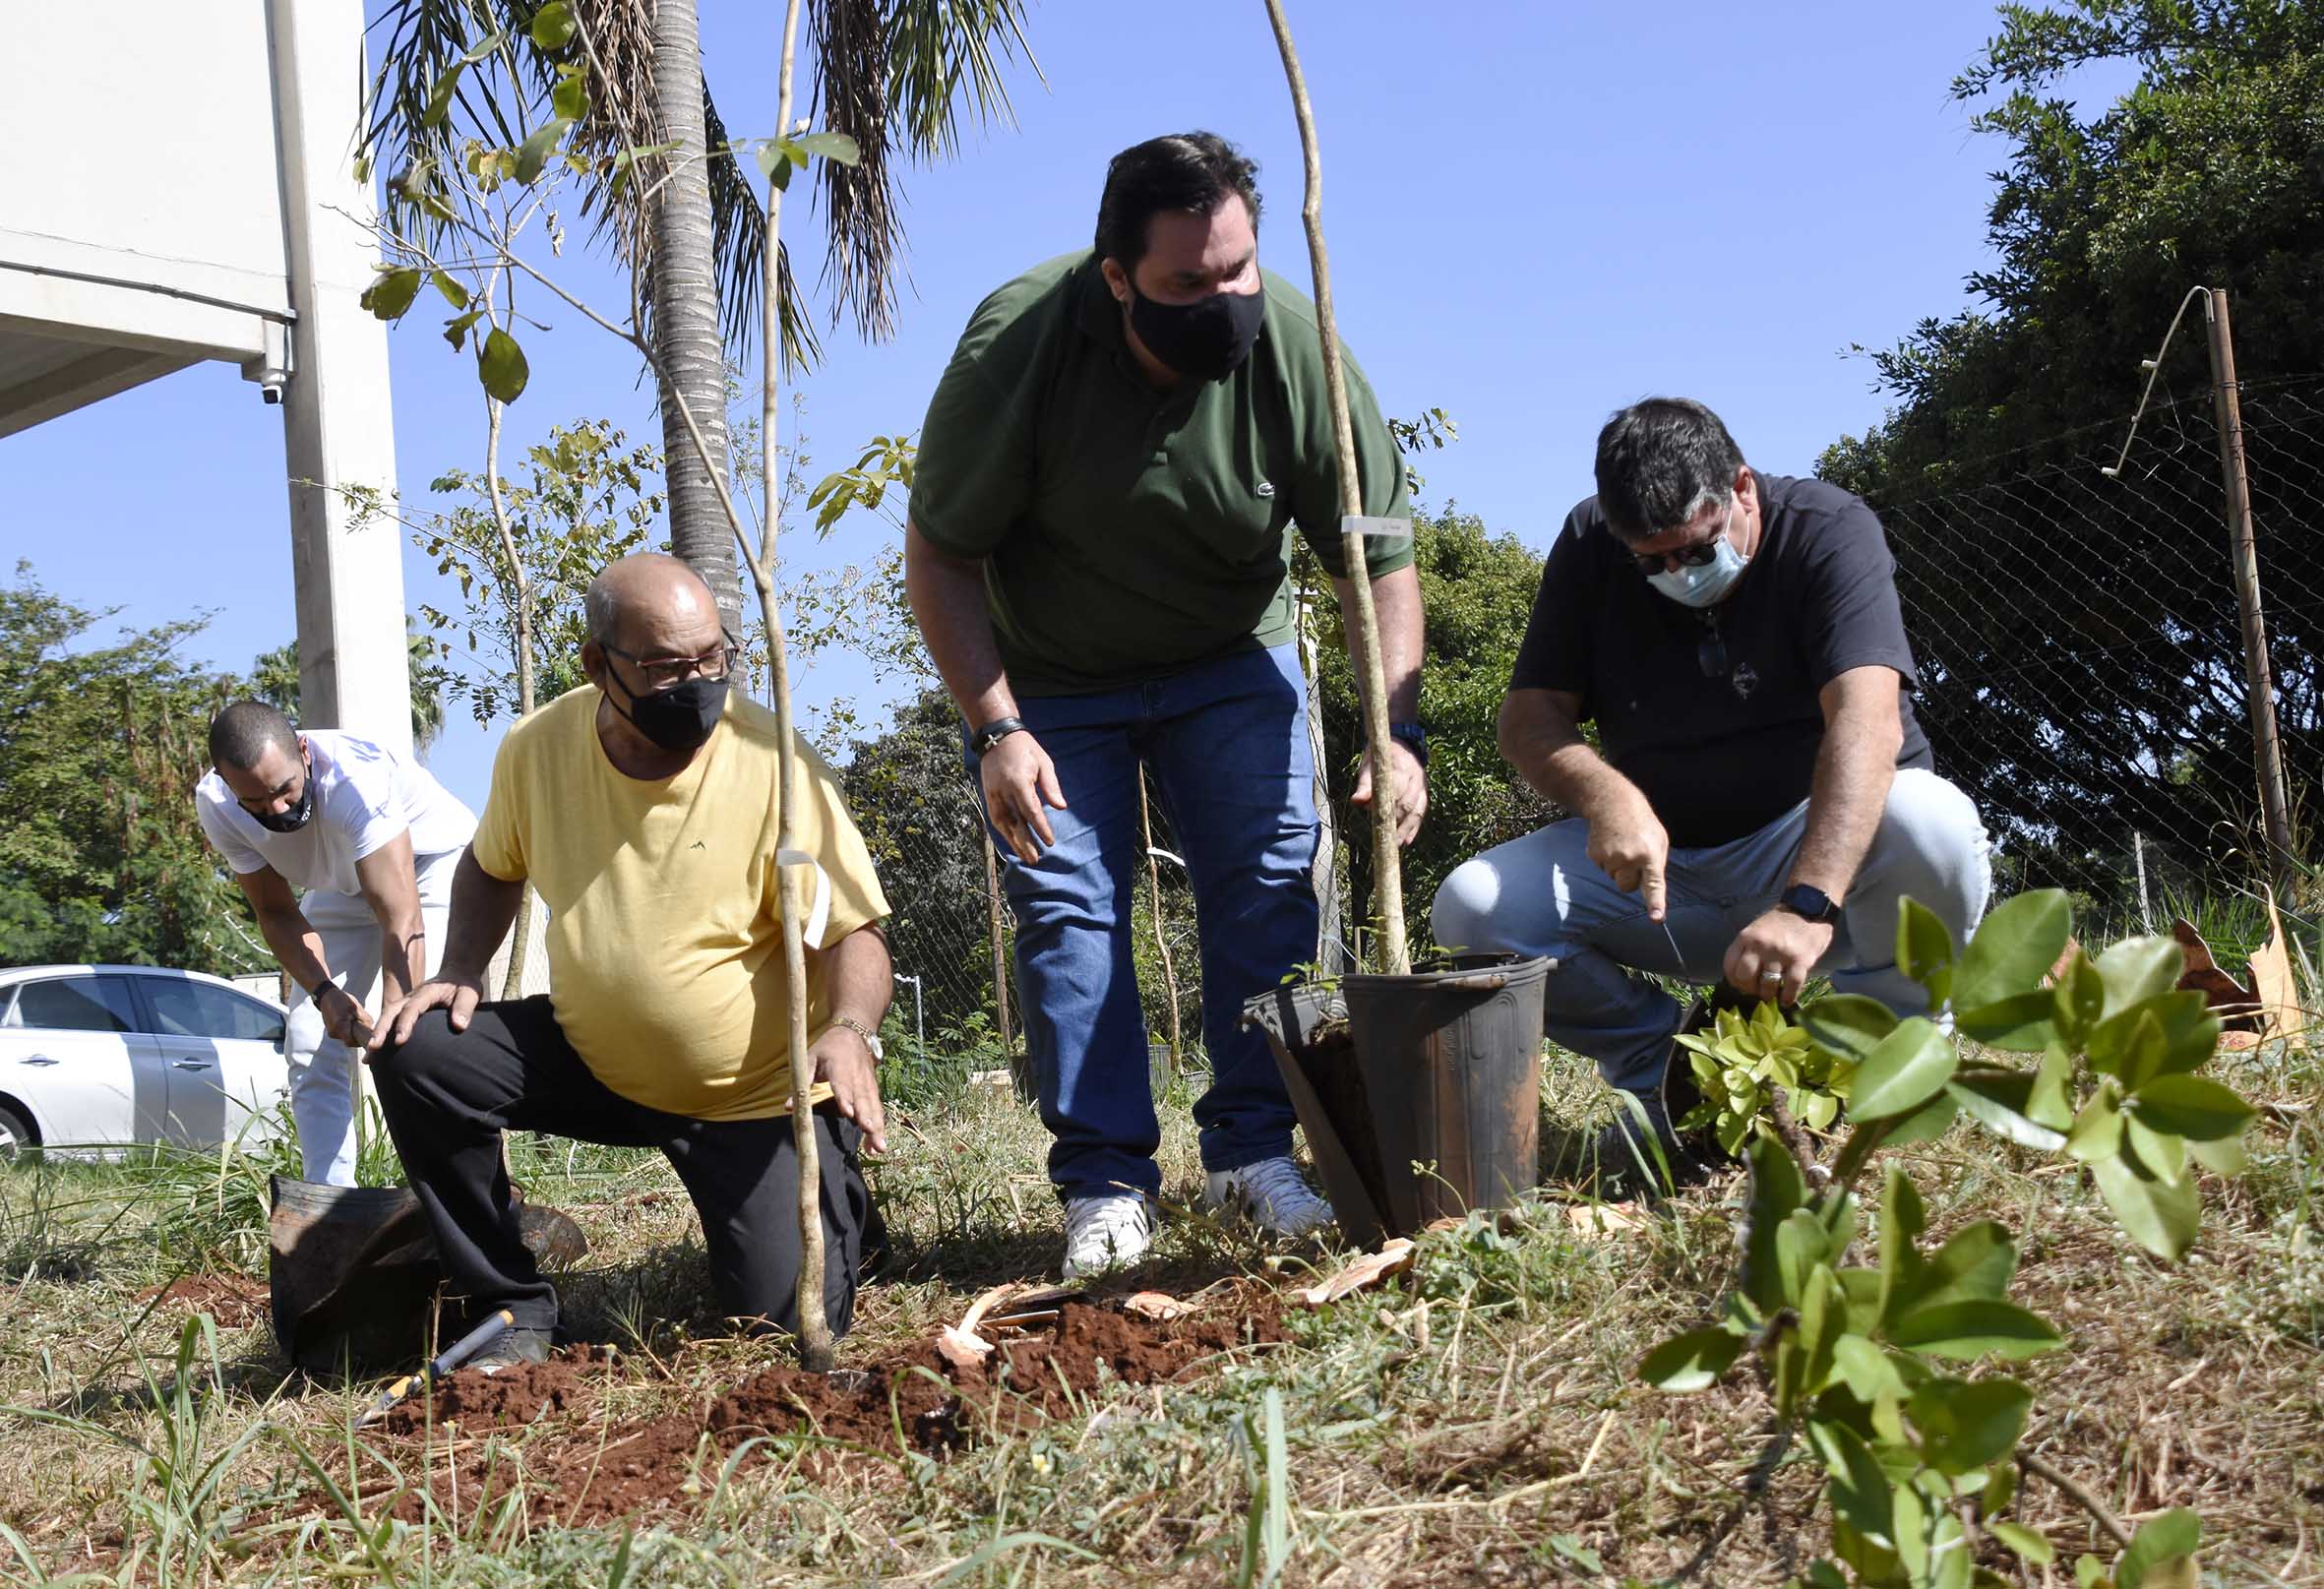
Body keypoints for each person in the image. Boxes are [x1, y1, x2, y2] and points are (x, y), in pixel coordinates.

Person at [905, 131, 1429, 1278]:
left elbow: (1374, 562)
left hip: (1226, 659)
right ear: (1116, 278)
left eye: (1238, 269)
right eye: (1189, 283)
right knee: (1065, 913)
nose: (1225, 300)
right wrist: (997, 729)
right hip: (1049, 682)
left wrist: (1395, 732)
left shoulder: (1294, 344)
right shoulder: (1019, 346)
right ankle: (1102, 1182)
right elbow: (939, 558)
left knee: (1270, 887)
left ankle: (1252, 1155)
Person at [1432, 397, 1990, 1179]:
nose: (1675, 576)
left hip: (1819, 872)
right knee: (1472, 907)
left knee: (1930, 818)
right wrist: (1608, 796)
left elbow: (1867, 725)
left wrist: (1806, 903)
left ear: (1743, 489)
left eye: (1694, 550)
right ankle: (1670, 1083)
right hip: (1672, 882)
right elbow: (1528, 721)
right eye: (1650, 562)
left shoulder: (1827, 528)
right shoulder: (1591, 543)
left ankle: (1885, 1067)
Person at [367, 553, 893, 1365]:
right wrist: (461, 967)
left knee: (776, 1320)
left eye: (714, 657)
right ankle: (511, 1310)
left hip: (749, 1098)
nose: (699, 682)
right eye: (666, 666)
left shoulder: (773, 763)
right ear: (595, 663)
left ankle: (836, 1191)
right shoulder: (537, 747)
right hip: (597, 1062)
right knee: (418, 1047)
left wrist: (852, 1026)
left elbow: (856, 929)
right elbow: (489, 864)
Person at [197, 701, 475, 1185]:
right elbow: (277, 912)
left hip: (432, 866)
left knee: (418, 1035)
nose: (278, 811)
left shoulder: (354, 779)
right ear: (227, 784)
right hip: (340, 886)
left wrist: (395, 1010)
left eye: (285, 790)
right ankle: (329, 1204)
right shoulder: (218, 804)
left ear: (304, 752)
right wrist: (325, 995)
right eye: (258, 805)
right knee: (307, 1037)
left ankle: (451, 1187)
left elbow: (399, 913)